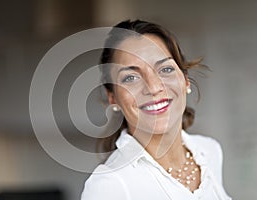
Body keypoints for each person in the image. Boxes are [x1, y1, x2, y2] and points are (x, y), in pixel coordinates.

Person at [81, 19, 231, 200]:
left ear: (185, 79)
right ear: (113, 97)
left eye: (165, 69)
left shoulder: (209, 151)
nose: (153, 87)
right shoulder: (109, 185)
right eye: (130, 78)